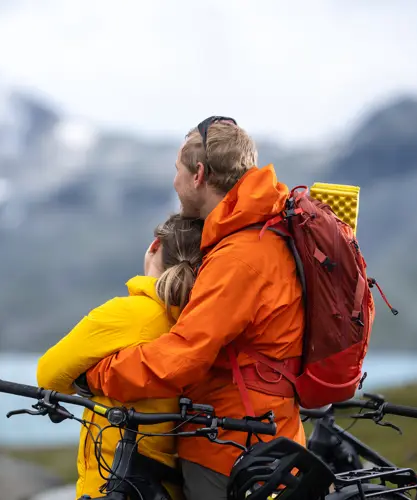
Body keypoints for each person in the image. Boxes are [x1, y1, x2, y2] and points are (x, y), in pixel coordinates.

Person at [81, 117, 306, 500]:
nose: (175, 181)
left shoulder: (240, 257)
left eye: (177, 171)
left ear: (199, 174)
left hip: (232, 446)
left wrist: (99, 376)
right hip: (276, 433)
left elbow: (183, 357)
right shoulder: (271, 230)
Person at [36, 213, 204, 500]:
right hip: (167, 486)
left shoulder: (127, 314)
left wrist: (90, 377)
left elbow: (48, 374)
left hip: (112, 481)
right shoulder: (197, 324)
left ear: (154, 246)